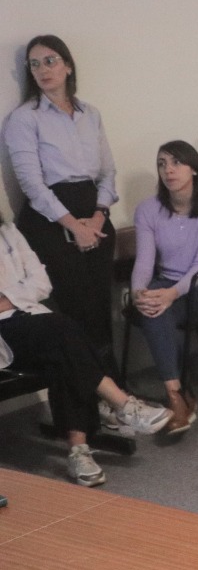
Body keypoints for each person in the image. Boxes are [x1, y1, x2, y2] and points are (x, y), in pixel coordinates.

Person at [0, 213, 171, 486]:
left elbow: (41, 281)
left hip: (33, 318)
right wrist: (16, 297)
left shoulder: (7, 230)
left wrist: (8, 298)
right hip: (4, 333)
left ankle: (81, 449)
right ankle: (120, 405)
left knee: (62, 345)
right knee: (63, 331)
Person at [4, 35, 120, 362]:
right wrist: (74, 226)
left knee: (101, 304)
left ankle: (115, 392)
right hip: (50, 219)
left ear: (68, 66)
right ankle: (91, 397)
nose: (43, 69)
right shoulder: (24, 118)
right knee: (77, 307)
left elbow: (108, 173)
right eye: (35, 64)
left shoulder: (91, 114)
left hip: (94, 212)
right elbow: (32, 185)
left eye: (50, 60)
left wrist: (97, 217)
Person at [127, 141, 198, 434]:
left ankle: (181, 397)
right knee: (152, 307)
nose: (168, 170)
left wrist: (170, 294)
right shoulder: (148, 210)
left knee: (160, 307)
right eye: (162, 163)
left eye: (176, 163)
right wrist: (139, 293)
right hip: (168, 283)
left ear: (194, 169)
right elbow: (145, 264)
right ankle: (177, 396)